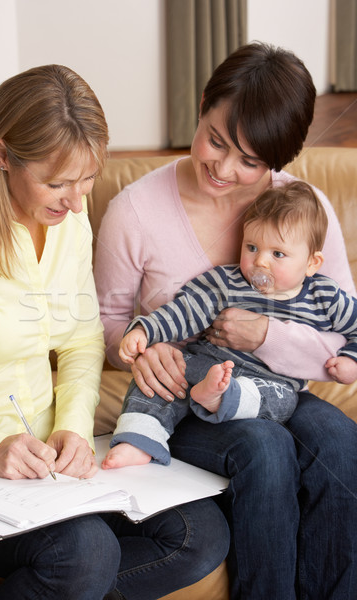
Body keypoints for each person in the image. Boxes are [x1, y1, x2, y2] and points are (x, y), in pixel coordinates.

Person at [95, 42, 357, 599]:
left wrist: (267, 335)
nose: (224, 168)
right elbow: (105, 319)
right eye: (216, 140)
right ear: (202, 106)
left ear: (278, 161)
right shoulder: (135, 211)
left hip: (276, 389)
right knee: (264, 449)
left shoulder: (305, 213)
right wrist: (143, 349)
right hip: (186, 397)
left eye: (251, 161)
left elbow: (340, 334)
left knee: (338, 441)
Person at [0, 64, 229, 600]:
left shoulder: (68, 219)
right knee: (85, 553)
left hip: (44, 462)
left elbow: (82, 340)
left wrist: (75, 429)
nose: (78, 202)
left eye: (87, 180)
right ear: (2, 155)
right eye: (57, 183)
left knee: (200, 536)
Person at [102, 180, 357, 468]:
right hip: (208, 363)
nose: (260, 261)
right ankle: (138, 438)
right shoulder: (228, 281)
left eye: (277, 254)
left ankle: (222, 398)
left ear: (312, 263)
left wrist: (350, 360)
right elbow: (185, 311)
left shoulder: (325, 297)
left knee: (284, 401)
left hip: (271, 383)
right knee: (162, 377)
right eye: (251, 247)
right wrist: (145, 330)